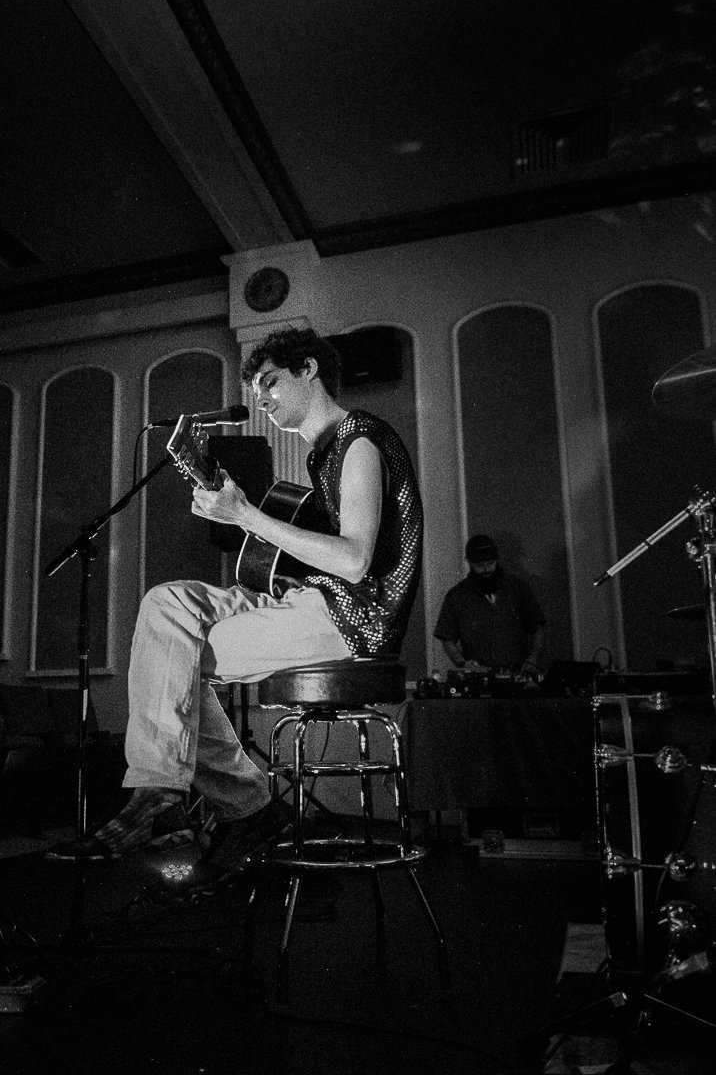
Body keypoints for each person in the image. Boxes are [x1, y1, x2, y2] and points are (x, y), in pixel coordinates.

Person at [47, 327, 424, 890]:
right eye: (256, 388)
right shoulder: (324, 456)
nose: (262, 399)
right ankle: (220, 797)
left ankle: (181, 797)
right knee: (164, 606)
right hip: (308, 602)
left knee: (175, 656)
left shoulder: (360, 438)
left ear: (310, 369)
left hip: (351, 620)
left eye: (271, 382)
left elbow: (352, 561)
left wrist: (245, 515)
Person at [433, 534, 545, 675]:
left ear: (497, 560)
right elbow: (447, 637)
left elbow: (537, 627)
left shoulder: (518, 589)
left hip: (518, 671)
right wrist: (463, 663)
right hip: (479, 674)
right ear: (470, 563)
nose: (486, 569)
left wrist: (532, 659)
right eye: (480, 565)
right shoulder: (457, 596)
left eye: (490, 563)